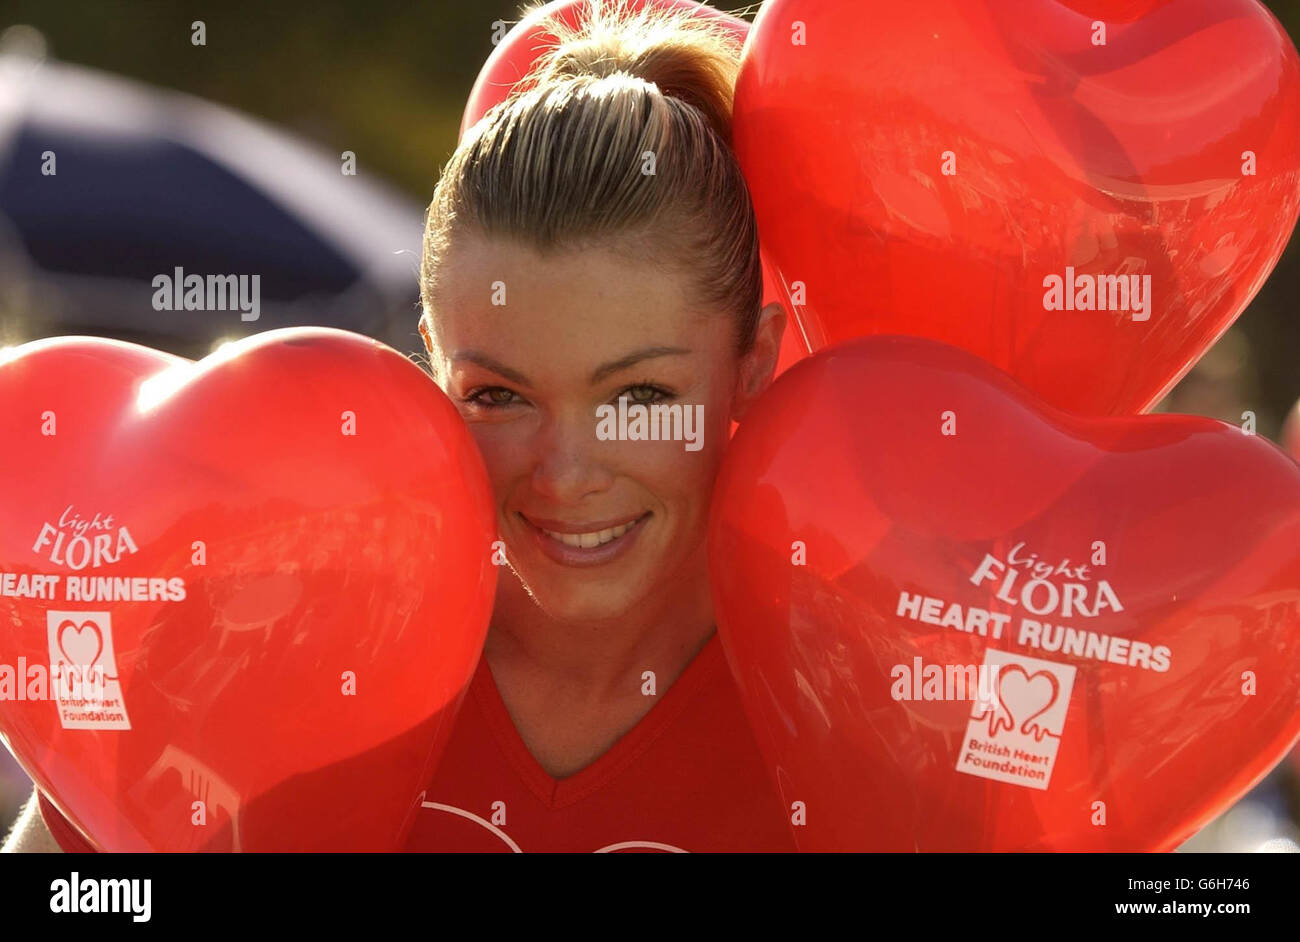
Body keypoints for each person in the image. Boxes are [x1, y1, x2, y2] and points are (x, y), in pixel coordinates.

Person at [6, 0, 796, 853]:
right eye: (499, 396)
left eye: (639, 397)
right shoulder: (300, 608)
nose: (566, 475)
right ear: (431, 356)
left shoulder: (851, 666)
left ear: (752, 361)